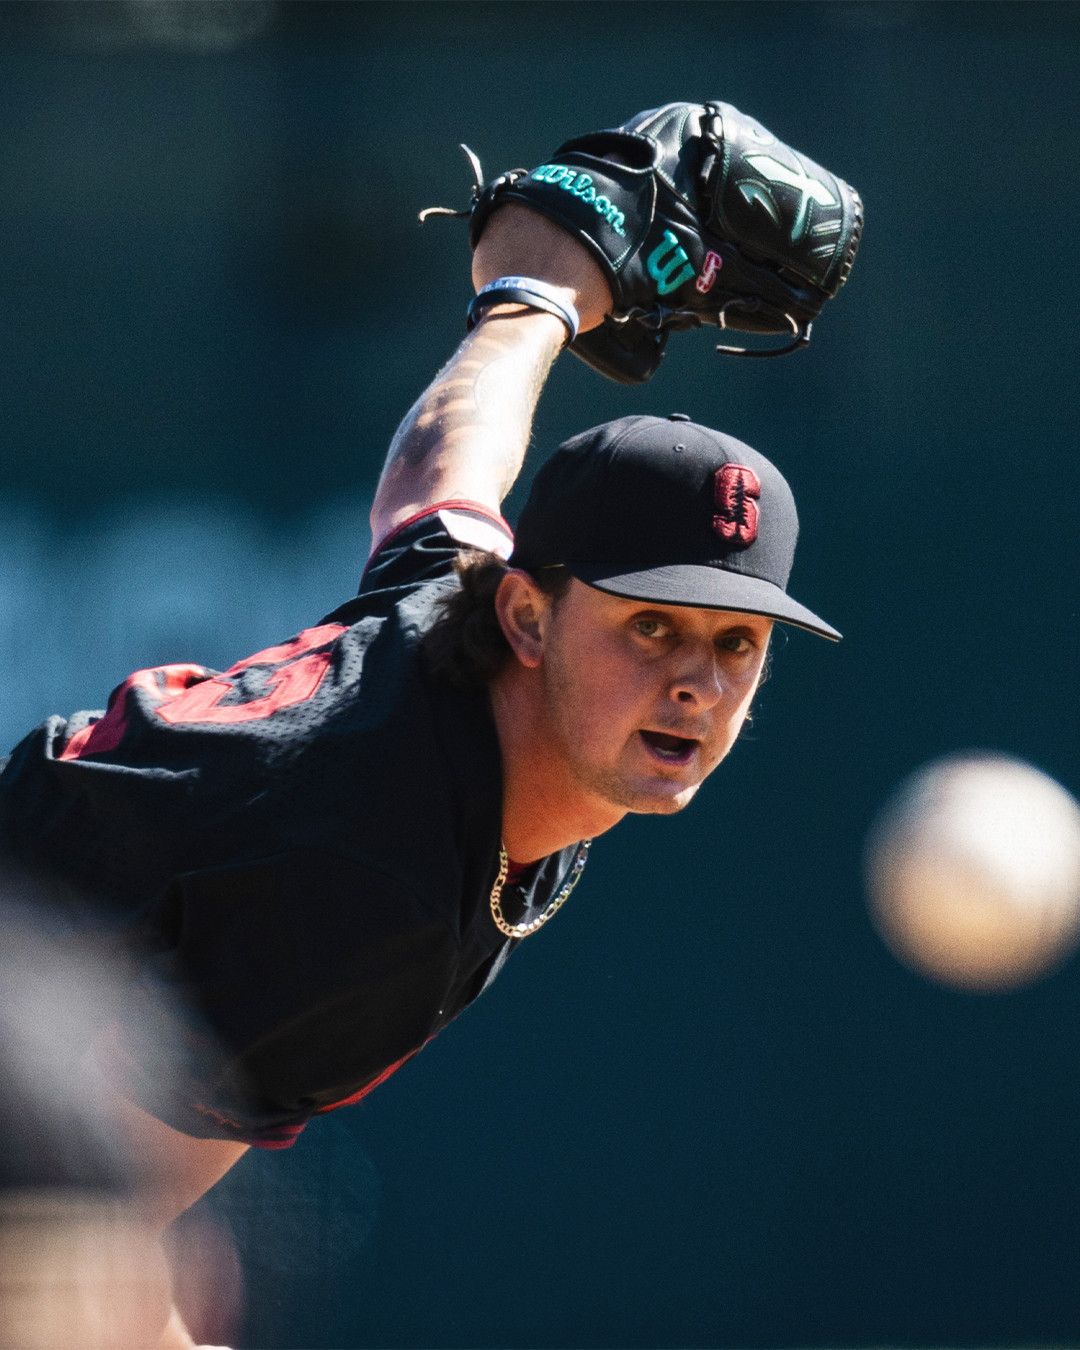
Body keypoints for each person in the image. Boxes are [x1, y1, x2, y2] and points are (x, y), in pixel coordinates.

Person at [0, 189, 842, 1346]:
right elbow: (83, 1236)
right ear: (530, 618)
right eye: (651, 627)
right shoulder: (373, 891)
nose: (696, 681)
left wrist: (535, 293)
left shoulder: (455, 621)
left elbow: (446, 470)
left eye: (736, 643)